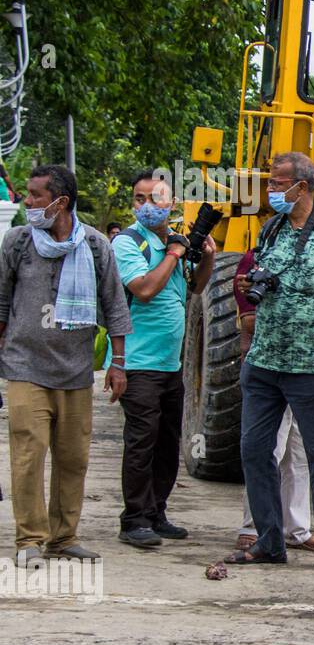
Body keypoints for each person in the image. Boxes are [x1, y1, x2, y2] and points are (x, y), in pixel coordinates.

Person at [225, 151, 314, 574]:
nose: (271, 190)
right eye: (271, 182)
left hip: (311, 366)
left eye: (278, 183)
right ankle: (269, 540)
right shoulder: (270, 230)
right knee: (254, 450)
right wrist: (251, 285)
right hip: (264, 361)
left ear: (303, 187)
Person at [0, 164, 133, 566]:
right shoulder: (18, 242)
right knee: (28, 453)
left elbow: (115, 306)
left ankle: (63, 538)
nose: (28, 201)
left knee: (73, 458)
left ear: (60, 203)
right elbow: (0, 306)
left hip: (75, 372)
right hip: (25, 367)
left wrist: (119, 364)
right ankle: (29, 540)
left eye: (36, 195)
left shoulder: (94, 246)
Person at [113, 169, 215, 549]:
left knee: (168, 441)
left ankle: (157, 512)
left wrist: (204, 258)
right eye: (139, 199)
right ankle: (133, 518)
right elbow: (144, 289)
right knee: (142, 440)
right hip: (138, 362)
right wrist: (174, 252)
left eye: (154, 199)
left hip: (170, 364)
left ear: (170, 204)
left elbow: (197, 287)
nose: (146, 206)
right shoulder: (128, 243)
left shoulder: (175, 243)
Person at [232, 246, 314, 552]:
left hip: (306, 366)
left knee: (298, 453)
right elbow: (250, 321)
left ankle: (297, 528)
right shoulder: (255, 258)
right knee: (269, 448)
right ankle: (253, 525)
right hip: (270, 367)